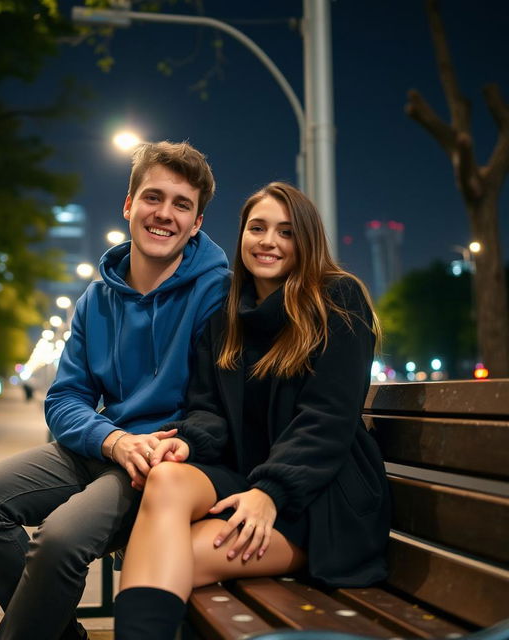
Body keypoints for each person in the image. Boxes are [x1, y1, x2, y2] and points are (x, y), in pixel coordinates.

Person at [0, 141, 229, 640]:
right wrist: (111, 439)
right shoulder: (96, 298)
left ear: (197, 223)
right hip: (108, 446)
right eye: (152, 197)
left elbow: (218, 404)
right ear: (128, 205)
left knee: (58, 539)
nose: (164, 214)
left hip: (163, 465)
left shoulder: (217, 293)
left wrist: (152, 446)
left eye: (181, 204)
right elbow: (64, 398)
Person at [113, 182, 391, 640]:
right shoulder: (226, 318)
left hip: (319, 499)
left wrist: (270, 493)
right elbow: (208, 410)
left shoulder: (337, 299)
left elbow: (328, 419)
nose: (268, 241)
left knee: (175, 554)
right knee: (166, 478)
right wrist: (184, 442)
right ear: (240, 236)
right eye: (257, 228)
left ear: (307, 241)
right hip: (247, 478)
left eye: (285, 232)